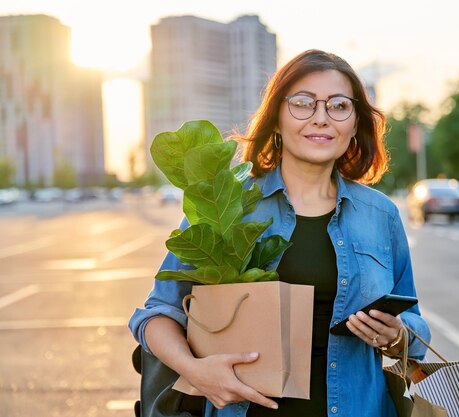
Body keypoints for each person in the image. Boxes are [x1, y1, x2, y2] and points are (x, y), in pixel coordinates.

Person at [129, 49, 431, 417]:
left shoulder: (380, 215)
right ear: (275, 119)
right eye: (303, 103)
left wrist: (397, 335)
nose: (321, 118)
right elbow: (156, 314)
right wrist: (197, 372)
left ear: (355, 124)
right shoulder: (228, 202)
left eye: (338, 106)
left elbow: (414, 329)